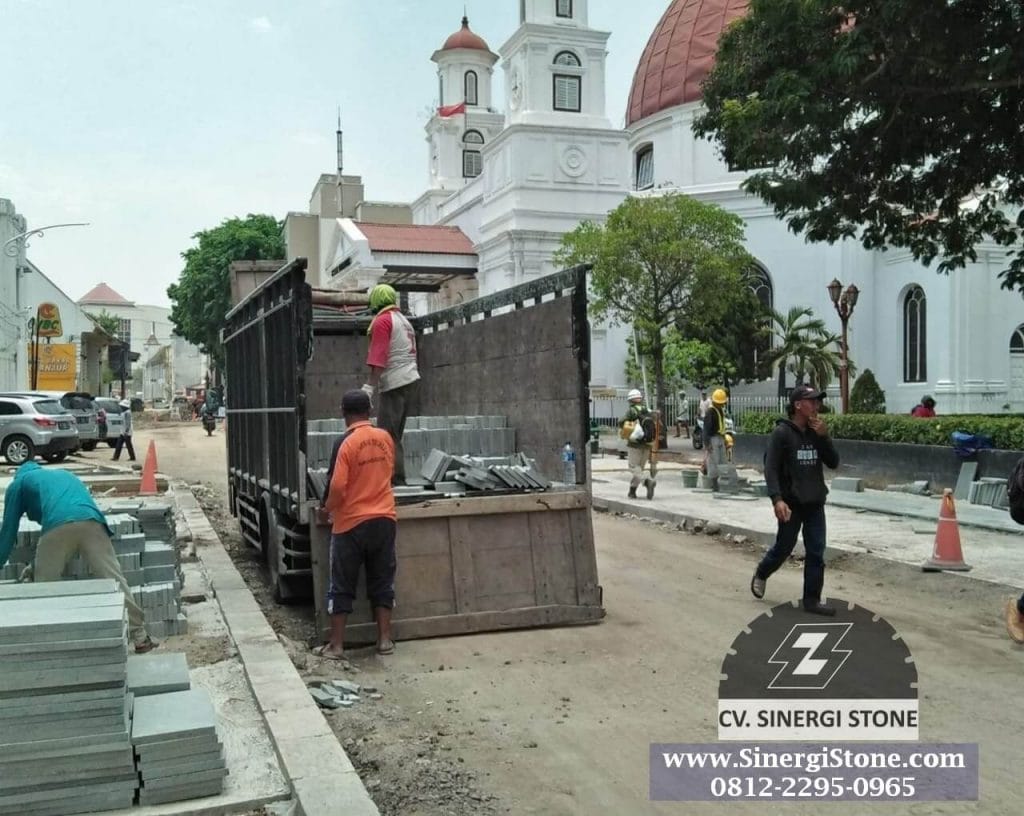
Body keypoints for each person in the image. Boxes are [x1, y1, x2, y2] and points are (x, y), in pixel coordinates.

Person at [0, 462, 156, 652]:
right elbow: (72, 530)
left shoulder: (19, 483)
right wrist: (35, 564)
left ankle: (48, 644)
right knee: (114, 579)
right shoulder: (64, 475)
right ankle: (140, 637)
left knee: (43, 588)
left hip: (58, 525)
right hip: (93, 522)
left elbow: (8, 531)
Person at [314, 389, 397, 660]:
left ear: (343, 413)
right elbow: (389, 472)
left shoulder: (345, 443)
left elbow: (337, 485)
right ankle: (384, 640)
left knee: (342, 583)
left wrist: (327, 509)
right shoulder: (385, 438)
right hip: (384, 519)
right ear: (370, 411)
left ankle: (337, 646)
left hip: (351, 524)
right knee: (382, 579)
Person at [750, 384, 841, 616]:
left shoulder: (816, 431)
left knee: (816, 550)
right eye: (811, 401)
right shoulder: (782, 433)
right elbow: (770, 469)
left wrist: (824, 437)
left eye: (817, 401)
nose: (816, 405)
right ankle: (762, 572)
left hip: (814, 502)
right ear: (798, 405)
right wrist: (777, 499)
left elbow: (833, 462)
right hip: (791, 504)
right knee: (784, 547)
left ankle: (812, 600)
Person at [362, 283, 420, 485]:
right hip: (411, 379)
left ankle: (395, 480)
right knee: (395, 433)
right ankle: (395, 477)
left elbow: (379, 356)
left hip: (395, 381)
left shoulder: (383, 321)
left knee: (387, 434)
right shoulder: (403, 320)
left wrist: (369, 387)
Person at [619, 389, 659, 500]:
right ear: (640, 399)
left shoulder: (632, 411)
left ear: (631, 400)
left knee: (633, 467)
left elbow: (621, 422)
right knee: (639, 469)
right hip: (647, 444)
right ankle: (632, 491)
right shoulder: (648, 410)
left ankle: (647, 481)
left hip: (635, 444)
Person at [702, 388, 730, 491]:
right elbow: (706, 429)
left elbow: (722, 426)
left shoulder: (720, 410)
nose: (722, 405)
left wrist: (725, 438)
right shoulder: (710, 412)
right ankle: (714, 483)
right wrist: (707, 444)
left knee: (722, 461)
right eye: (720, 403)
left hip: (720, 438)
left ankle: (722, 482)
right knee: (713, 461)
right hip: (713, 439)